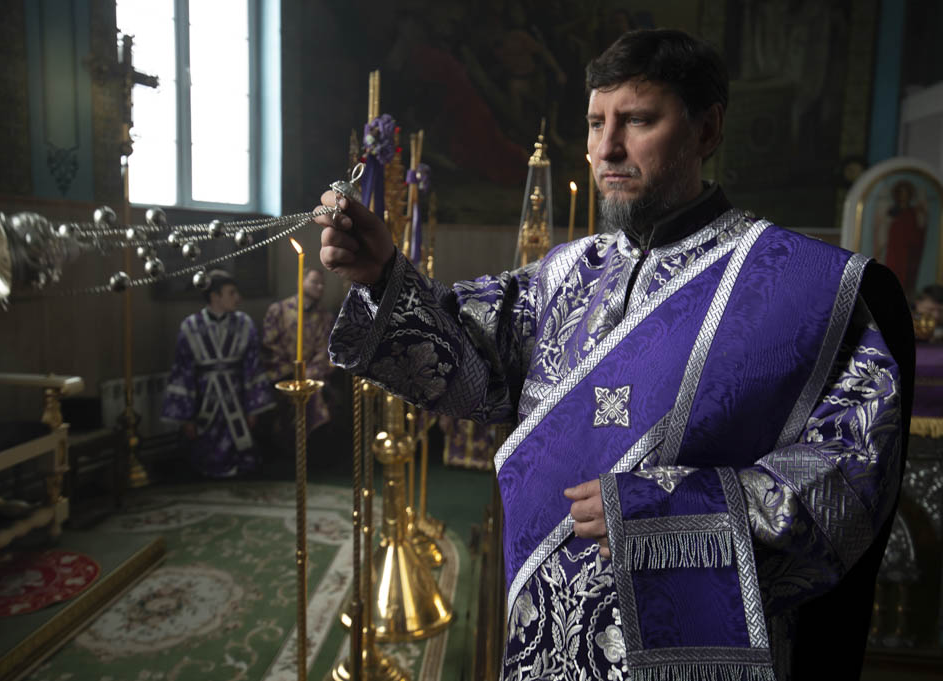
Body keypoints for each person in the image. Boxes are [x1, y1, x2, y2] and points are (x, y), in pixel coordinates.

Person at [315, 28, 913, 681]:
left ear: (707, 129)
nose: (607, 148)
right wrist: (382, 274)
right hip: (546, 643)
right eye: (597, 123)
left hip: (691, 652)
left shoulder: (807, 287)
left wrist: (666, 510)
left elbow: (849, 477)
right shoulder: (563, 274)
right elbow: (468, 360)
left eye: (638, 120)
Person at [161, 269, 273, 478]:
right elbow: (183, 372)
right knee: (199, 456)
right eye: (232, 293)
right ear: (214, 296)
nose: (238, 298)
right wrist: (187, 418)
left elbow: (252, 367)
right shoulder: (190, 326)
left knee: (244, 456)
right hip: (204, 399)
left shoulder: (245, 324)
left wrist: (253, 409)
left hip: (236, 397)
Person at [261, 267, 335, 433]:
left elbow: (325, 350)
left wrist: (309, 374)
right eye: (314, 282)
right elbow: (270, 347)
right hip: (283, 377)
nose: (320, 287)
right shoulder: (279, 311)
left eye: (322, 283)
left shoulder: (325, 317)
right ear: (300, 281)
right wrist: (292, 374)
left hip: (313, 378)